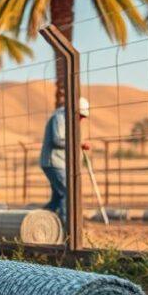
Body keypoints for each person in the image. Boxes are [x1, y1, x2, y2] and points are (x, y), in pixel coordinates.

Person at [40, 97, 90, 230]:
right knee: (67, 192)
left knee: (57, 198)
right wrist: (78, 144)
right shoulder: (60, 117)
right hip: (53, 162)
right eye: (81, 115)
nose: (82, 119)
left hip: (60, 162)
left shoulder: (69, 118)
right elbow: (58, 140)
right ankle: (67, 230)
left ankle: (39, 223)